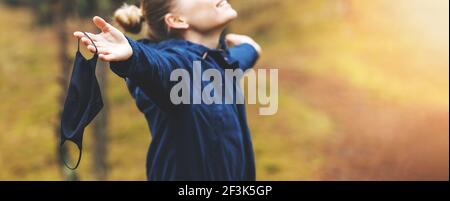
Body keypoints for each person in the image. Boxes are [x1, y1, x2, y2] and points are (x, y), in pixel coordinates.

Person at [73, 0, 261, 181]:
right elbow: (158, 66)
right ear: (177, 20)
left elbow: (236, 59)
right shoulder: (177, 66)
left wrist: (251, 48)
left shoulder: (220, 64)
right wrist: (132, 52)